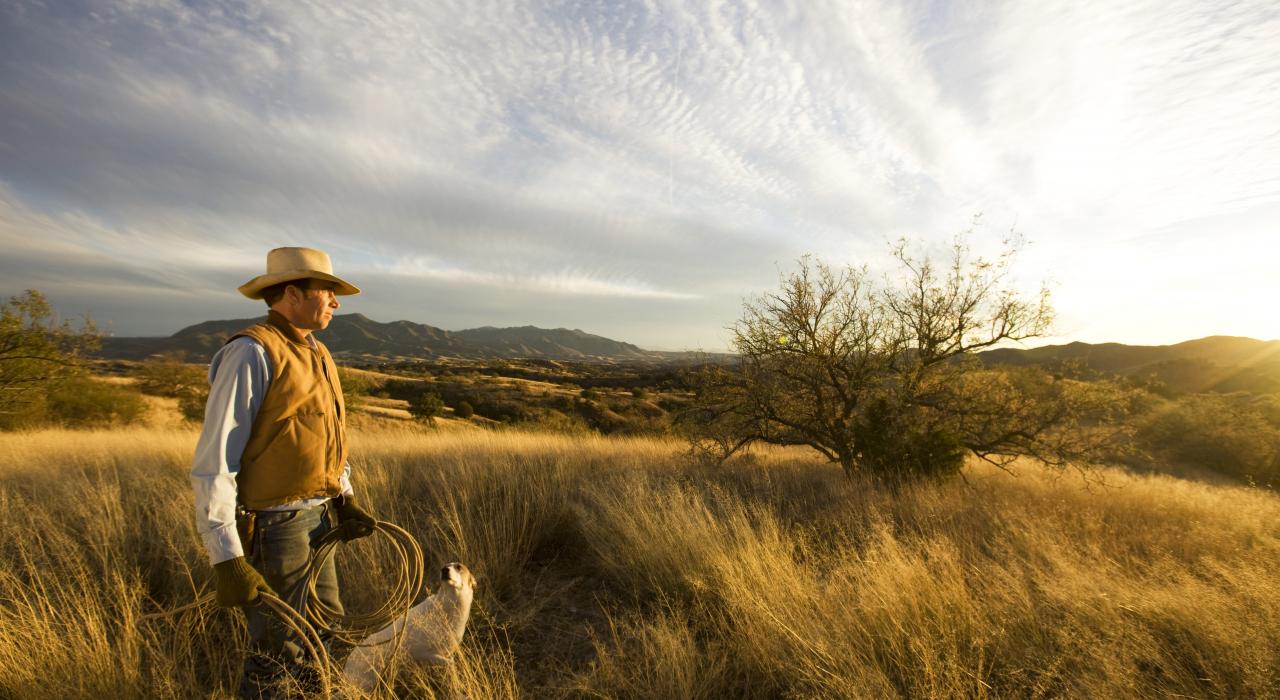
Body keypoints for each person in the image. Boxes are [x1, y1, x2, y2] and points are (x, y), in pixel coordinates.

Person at [190, 246, 377, 698]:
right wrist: (227, 557)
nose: (336, 302)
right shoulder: (251, 352)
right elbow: (215, 462)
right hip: (277, 527)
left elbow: (325, 435)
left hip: (319, 517)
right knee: (280, 650)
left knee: (326, 635)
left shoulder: (319, 353)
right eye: (328, 291)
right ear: (293, 293)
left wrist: (343, 495)